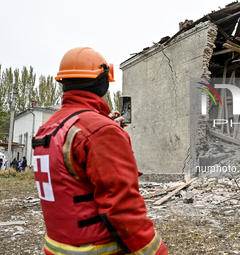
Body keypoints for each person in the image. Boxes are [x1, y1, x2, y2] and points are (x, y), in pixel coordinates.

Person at [32, 47, 168, 255]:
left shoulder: (51, 125)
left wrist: (105, 127)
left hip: (57, 247)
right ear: (103, 81)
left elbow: (72, 179)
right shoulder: (100, 130)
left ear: (63, 82)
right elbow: (123, 208)